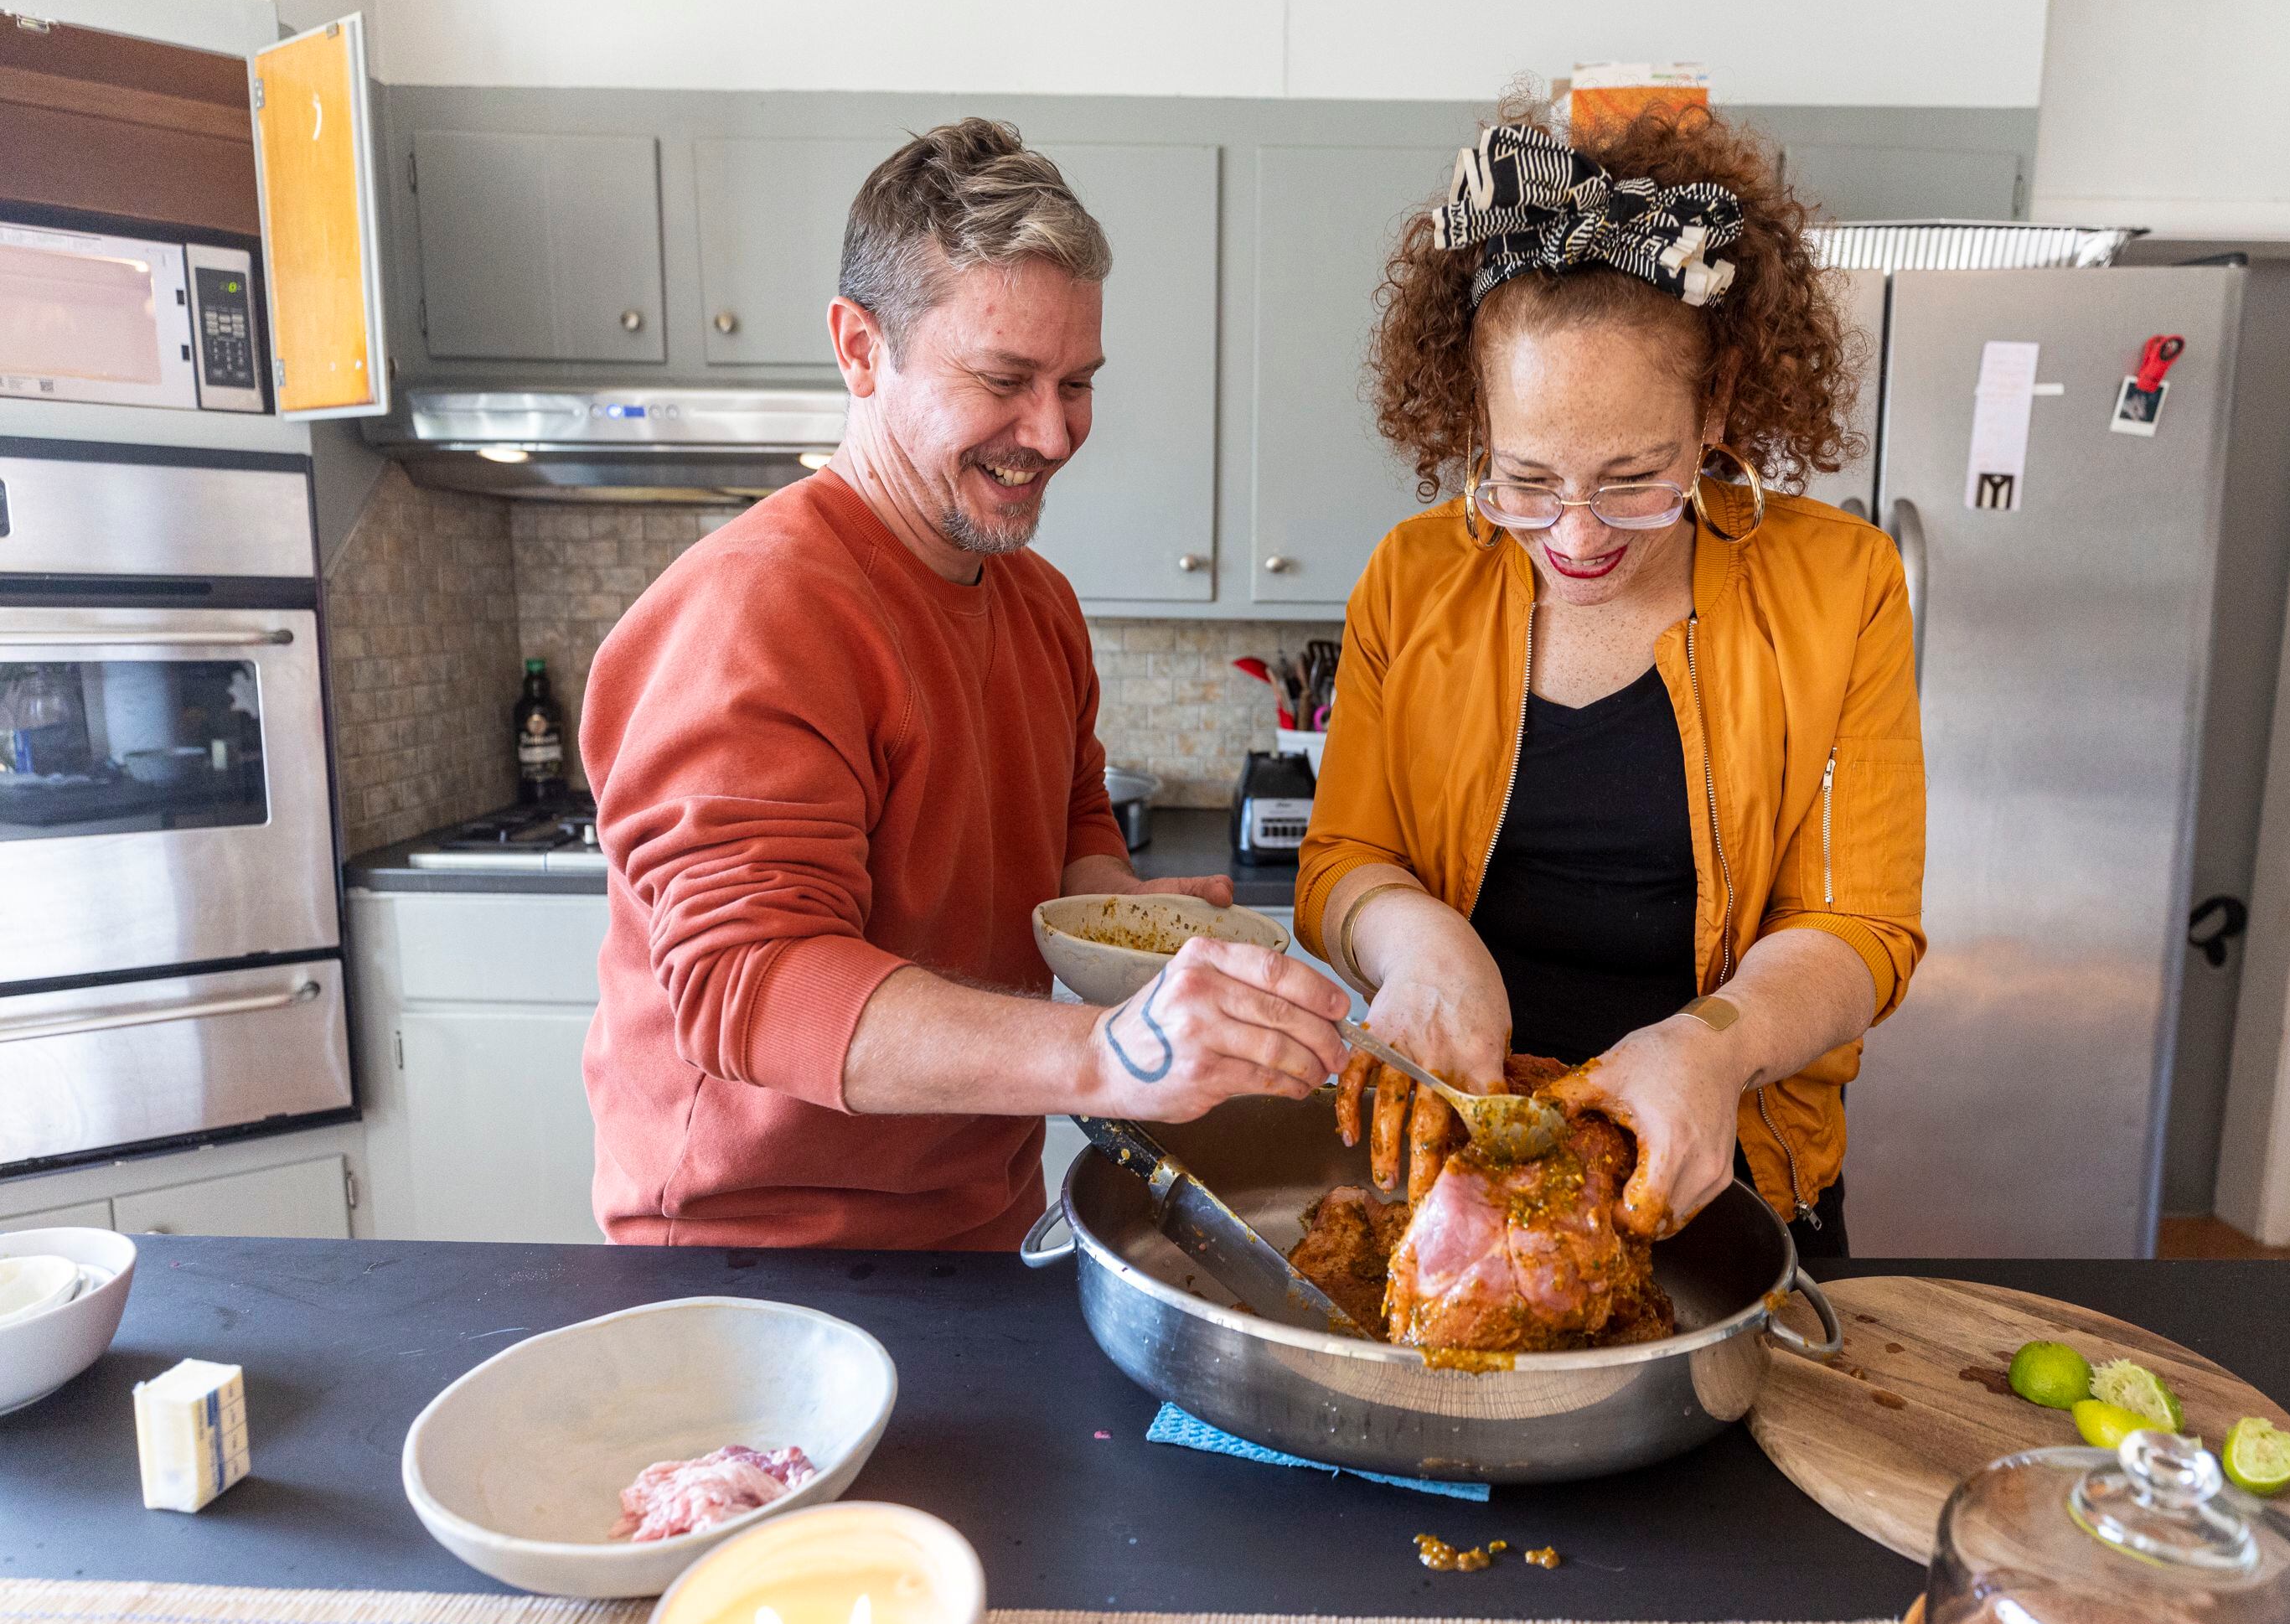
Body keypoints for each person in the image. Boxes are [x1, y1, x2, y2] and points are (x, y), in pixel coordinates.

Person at [581, 119, 1350, 1249]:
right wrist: (1108, 1056)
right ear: (859, 349)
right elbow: (749, 983)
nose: (1052, 432)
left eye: (1077, 382)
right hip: (762, 1262)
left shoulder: (1034, 602)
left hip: (980, 1224)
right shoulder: (761, 609)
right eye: (1004, 380)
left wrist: (1141, 943)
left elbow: (1076, 829)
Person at [1295, 106, 1925, 1259]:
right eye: (1524, 480)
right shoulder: (1415, 576)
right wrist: (1421, 942)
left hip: (1727, 1188)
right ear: (1474, 421)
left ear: (1719, 406)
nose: (1575, 535)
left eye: (1635, 478)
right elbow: (1342, 864)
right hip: (1458, 1187)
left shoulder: (1841, 587)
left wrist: (1716, 1045)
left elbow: (1860, 926)